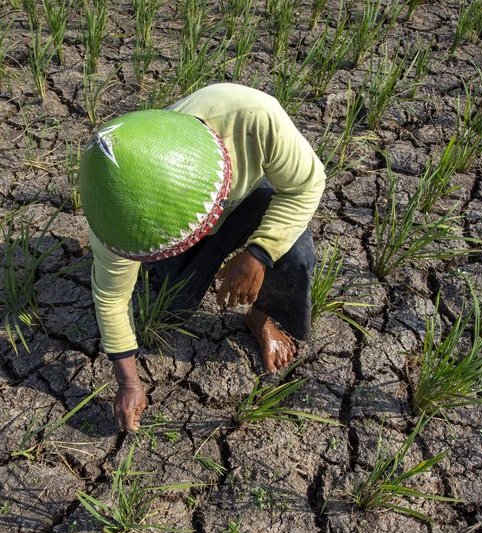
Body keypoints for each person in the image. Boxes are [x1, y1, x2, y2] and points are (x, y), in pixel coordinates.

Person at [79, 83, 326, 433]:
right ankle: (186, 261)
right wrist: (128, 382)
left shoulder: (254, 118)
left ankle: (260, 318)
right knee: (175, 306)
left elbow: (307, 184)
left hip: (250, 202)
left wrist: (259, 254)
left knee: (296, 250)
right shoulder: (114, 218)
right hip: (164, 217)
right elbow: (111, 297)